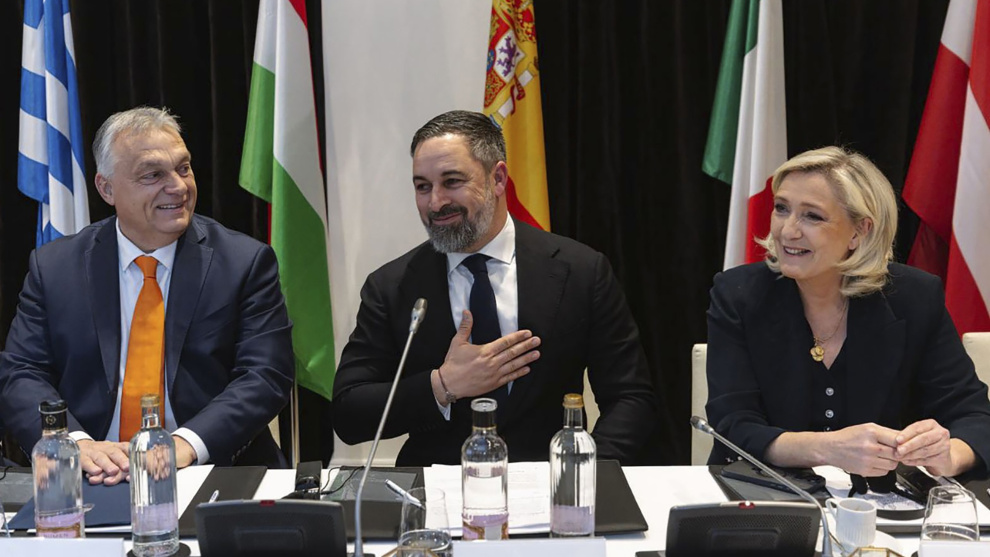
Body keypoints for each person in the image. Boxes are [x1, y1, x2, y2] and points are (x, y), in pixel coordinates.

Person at [332, 110, 658, 466]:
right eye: (422, 187)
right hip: (436, 485)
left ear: (498, 178)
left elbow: (631, 398)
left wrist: (581, 473)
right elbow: (349, 413)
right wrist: (442, 385)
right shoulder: (391, 286)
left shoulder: (581, 270)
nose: (435, 203)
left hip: (549, 480)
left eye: (451, 181)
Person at [0, 106, 294, 484]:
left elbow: (265, 375)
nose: (179, 187)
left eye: (183, 168)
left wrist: (184, 444)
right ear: (106, 188)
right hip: (91, 475)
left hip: (207, 472)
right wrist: (74, 444)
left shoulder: (245, 263)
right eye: (153, 174)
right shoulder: (55, 268)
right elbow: (21, 373)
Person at [706, 146, 990, 478]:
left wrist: (947, 455)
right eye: (781, 208)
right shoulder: (738, 294)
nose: (787, 230)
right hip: (763, 493)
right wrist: (829, 449)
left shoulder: (914, 297)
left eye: (812, 216)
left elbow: (974, 417)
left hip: (879, 502)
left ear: (860, 231)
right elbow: (732, 426)